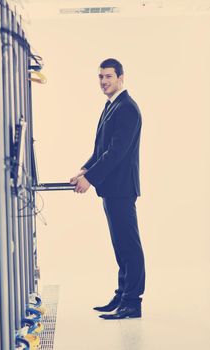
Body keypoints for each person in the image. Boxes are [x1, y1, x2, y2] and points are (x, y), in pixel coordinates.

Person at [70, 58, 145, 319]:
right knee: (120, 244)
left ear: (121, 77)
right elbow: (100, 149)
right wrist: (84, 169)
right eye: (100, 77)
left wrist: (90, 179)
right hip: (112, 188)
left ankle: (132, 302)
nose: (103, 82)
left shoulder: (127, 108)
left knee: (129, 245)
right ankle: (123, 294)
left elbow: (116, 153)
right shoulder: (111, 105)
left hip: (122, 187)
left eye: (108, 77)